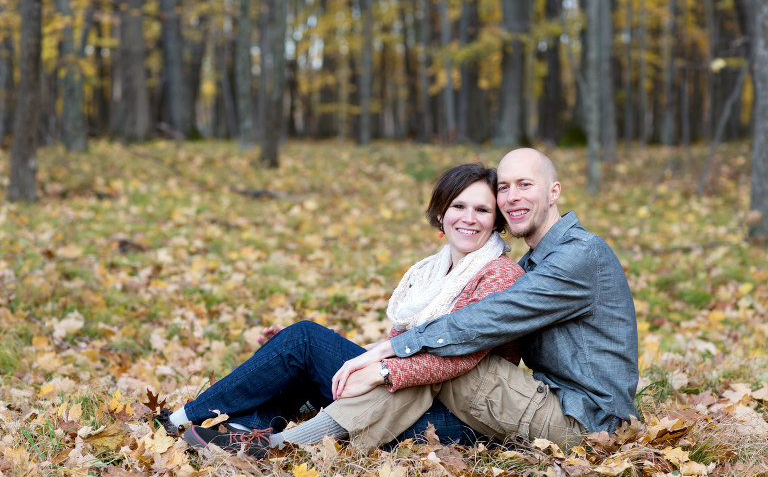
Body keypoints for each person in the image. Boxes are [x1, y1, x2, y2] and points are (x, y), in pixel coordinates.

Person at [166, 163, 526, 457]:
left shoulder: (499, 273)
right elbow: (405, 345)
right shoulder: (435, 270)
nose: (469, 218)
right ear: (441, 213)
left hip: (451, 420)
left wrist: (379, 371)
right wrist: (367, 362)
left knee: (305, 340)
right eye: (458, 206)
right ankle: (248, 431)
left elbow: (459, 355)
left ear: (497, 221)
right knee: (302, 348)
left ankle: (179, 420)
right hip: (412, 397)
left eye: (482, 210)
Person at [331, 148, 639, 449]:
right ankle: (325, 429)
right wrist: (383, 356)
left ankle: (318, 435)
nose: (512, 196)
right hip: (558, 403)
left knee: (456, 358)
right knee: (443, 354)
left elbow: (485, 320)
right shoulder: (534, 262)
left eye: (525, 185)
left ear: (553, 192)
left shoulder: (580, 255)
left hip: (592, 424)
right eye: (504, 187)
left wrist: (387, 359)